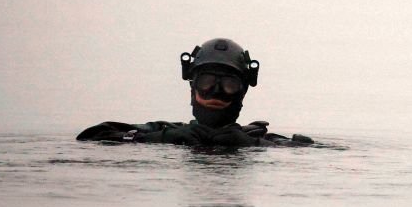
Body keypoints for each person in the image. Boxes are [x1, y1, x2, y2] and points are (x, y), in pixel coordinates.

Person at [76, 38, 313, 147]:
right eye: (207, 82)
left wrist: (256, 146)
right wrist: (158, 138)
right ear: (192, 85)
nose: (216, 93)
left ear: (242, 92)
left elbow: (312, 149)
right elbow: (91, 135)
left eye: (229, 85)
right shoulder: (164, 130)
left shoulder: (262, 140)